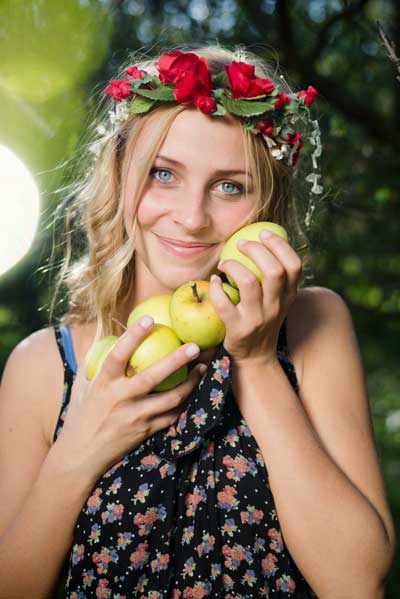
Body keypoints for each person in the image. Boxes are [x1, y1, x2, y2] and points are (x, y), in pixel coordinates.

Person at [0, 43, 395, 599]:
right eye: (164, 174)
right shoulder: (46, 365)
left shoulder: (311, 325)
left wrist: (256, 361)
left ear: (266, 203)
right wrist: (80, 447)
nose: (191, 217)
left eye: (229, 186)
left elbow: (357, 581)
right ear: (120, 176)